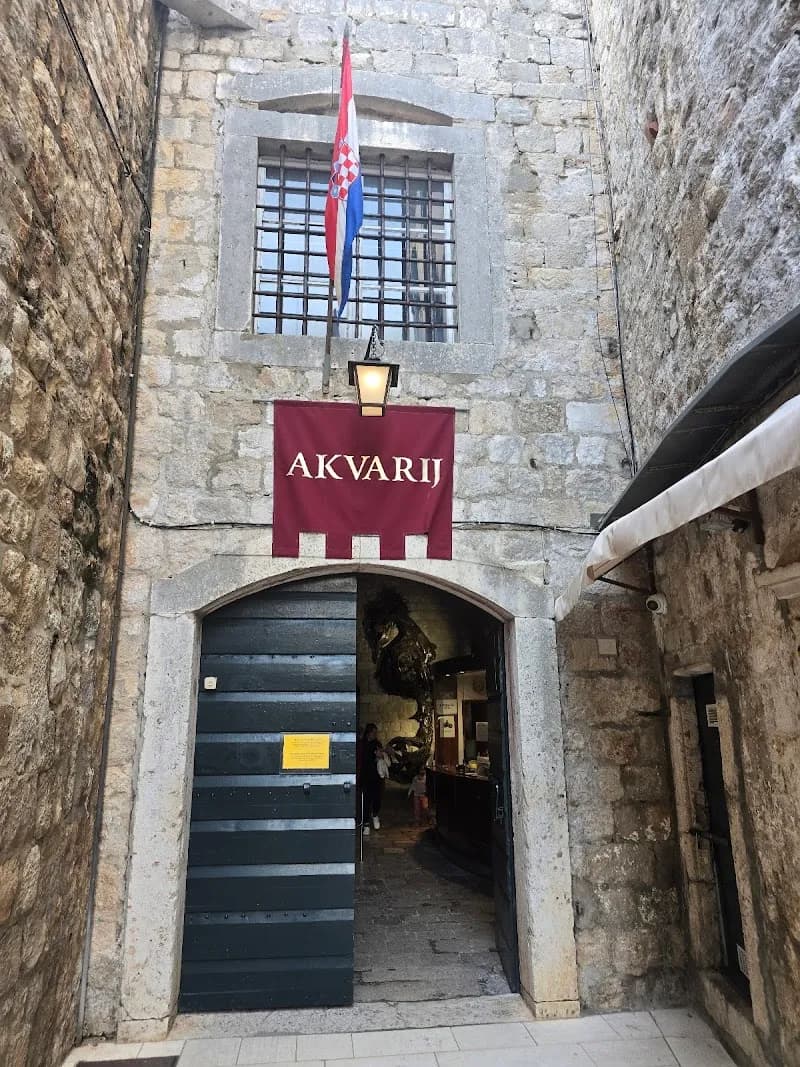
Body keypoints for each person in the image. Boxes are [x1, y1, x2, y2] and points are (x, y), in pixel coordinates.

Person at [359, 722, 384, 834]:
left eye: (376, 732)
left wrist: (380, 756)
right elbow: (362, 759)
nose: (375, 734)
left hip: (376, 777)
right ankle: (366, 823)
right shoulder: (362, 744)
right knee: (366, 800)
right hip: (365, 776)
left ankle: (375, 815)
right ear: (368, 733)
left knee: (376, 798)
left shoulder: (377, 744)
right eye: (373, 732)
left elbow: (381, 757)